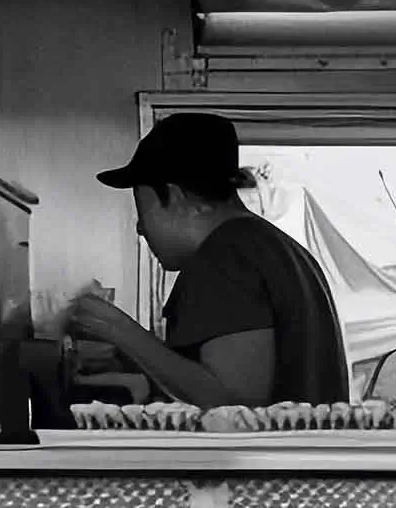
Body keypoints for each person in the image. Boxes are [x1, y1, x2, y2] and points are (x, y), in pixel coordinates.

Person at [70, 113, 349, 410]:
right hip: (306, 455)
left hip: (260, 458)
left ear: (175, 197)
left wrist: (121, 331)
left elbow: (235, 406)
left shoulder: (224, 257)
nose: (140, 228)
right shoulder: (282, 250)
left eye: (142, 208)